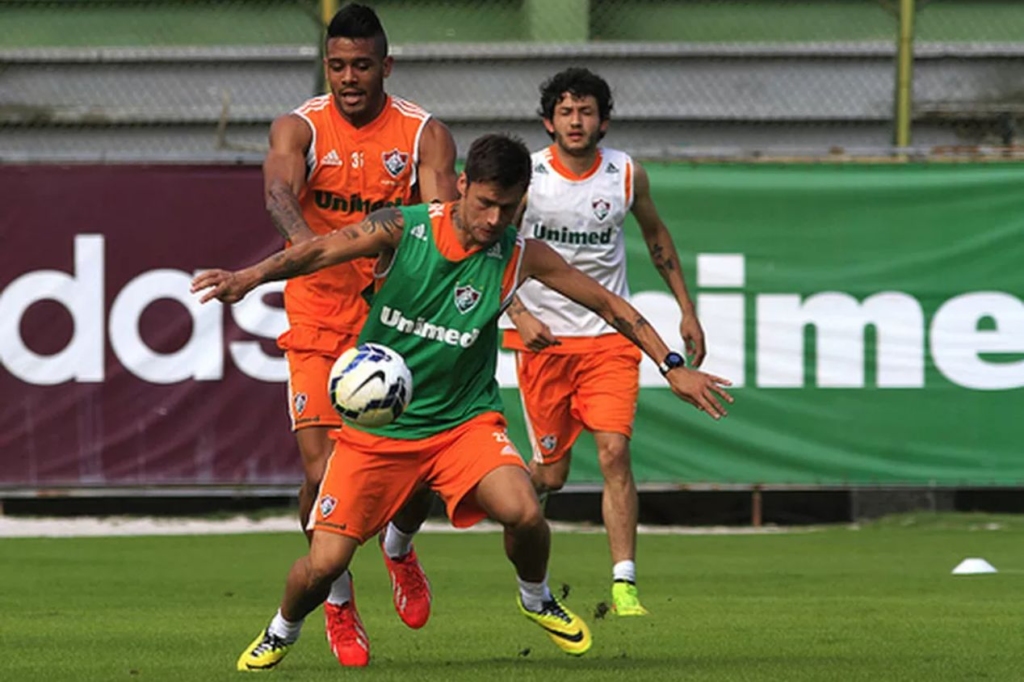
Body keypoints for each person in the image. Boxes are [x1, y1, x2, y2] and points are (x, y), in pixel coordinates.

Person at [191, 133, 733, 670]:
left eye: (508, 206)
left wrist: (673, 366)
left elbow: (609, 303)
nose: (495, 218)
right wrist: (248, 276)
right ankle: (282, 628)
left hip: (462, 425)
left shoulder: (520, 255)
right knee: (323, 564)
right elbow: (321, 249)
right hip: (382, 431)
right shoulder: (405, 228)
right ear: (463, 186)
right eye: (485, 203)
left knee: (524, 511)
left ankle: (535, 595)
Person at [262, 2, 457, 665]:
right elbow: (278, 195)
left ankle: (399, 549)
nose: (350, 78)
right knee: (321, 477)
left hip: (394, 321)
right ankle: (339, 600)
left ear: (386, 65)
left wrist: (406, 255)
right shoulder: (300, 127)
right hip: (318, 320)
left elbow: (440, 218)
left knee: (423, 466)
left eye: (362, 66)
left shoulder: (424, 134)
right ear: (327, 65)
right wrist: (321, 248)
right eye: (338, 65)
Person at [500, 67, 707, 617]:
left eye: (586, 111)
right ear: (548, 121)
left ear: (603, 120)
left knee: (615, 452)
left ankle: (624, 584)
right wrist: (516, 312)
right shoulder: (530, 177)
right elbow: (495, 250)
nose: (576, 120)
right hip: (543, 342)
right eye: (565, 111)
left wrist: (687, 309)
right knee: (552, 474)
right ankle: (521, 512)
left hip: (610, 337)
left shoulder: (625, 175)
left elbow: (656, 236)